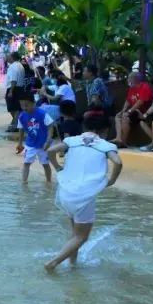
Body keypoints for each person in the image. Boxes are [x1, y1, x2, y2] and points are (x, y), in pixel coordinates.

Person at [44, 111, 123, 272]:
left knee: (75, 234)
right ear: (105, 131)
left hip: (66, 192)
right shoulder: (106, 146)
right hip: (84, 197)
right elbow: (118, 162)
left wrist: (58, 167)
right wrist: (112, 180)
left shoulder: (72, 141)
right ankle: (53, 263)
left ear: (85, 127)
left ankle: (72, 264)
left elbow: (50, 151)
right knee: (81, 236)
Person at [17, 94, 53, 184]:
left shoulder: (42, 114)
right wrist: (20, 143)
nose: (24, 108)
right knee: (26, 163)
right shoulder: (21, 116)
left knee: (45, 164)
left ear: (34, 103)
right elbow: (21, 130)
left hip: (43, 144)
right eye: (22, 105)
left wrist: (48, 141)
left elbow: (50, 126)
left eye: (26, 105)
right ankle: (24, 182)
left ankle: (48, 182)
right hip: (30, 144)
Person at [112, 72, 153, 148]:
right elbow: (128, 100)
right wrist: (123, 110)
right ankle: (118, 138)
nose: (127, 80)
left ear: (133, 80)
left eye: (129, 78)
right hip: (134, 111)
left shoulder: (145, 87)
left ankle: (123, 141)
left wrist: (129, 111)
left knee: (125, 117)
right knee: (118, 116)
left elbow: (140, 102)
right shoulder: (132, 88)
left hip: (142, 112)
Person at [4, 53, 26, 132]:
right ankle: (17, 124)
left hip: (14, 89)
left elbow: (13, 80)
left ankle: (15, 125)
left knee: (13, 108)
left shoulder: (13, 66)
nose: (7, 58)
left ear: (12, 58)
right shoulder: (20, 65)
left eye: (9, 57)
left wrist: (11, 91)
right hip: (20, 89)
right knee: (17, 108)